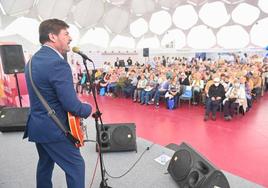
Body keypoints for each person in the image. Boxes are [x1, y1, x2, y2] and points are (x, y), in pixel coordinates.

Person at [23, 19, 92, 188]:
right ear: (53, 36)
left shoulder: (32, 61)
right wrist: (87, 108)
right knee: (76, 167)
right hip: (56, 129)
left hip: (38, 125)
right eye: (66, 33)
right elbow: (72, 105)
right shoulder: (57, 63)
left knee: (45, 165)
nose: (70, 38)